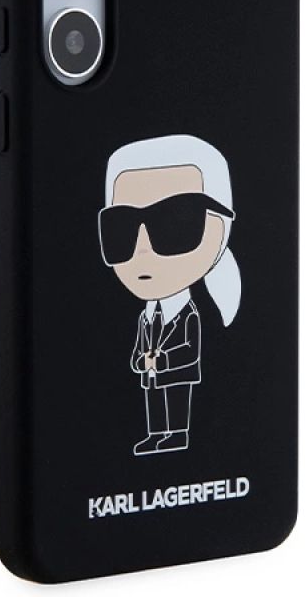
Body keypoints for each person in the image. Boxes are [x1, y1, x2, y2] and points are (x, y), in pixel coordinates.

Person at [98, 134, 241, 455]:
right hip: (151, 374)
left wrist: (161, 360)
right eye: (121, 228)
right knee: (153, 403)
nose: (143, 248)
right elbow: (139, 345)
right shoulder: (146, 317)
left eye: (176, 222)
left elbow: (190, 350)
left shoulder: (188, 314)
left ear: (220, 230)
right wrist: (141, 360)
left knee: (176, 402)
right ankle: (156, 434)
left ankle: (177, 434)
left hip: (177, 374)